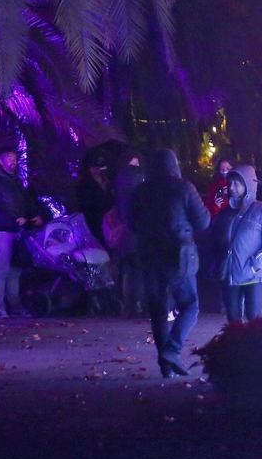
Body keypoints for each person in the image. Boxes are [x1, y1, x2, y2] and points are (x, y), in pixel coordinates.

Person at [129, 148, 210, 378]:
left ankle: (166, 366)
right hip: (178, 255)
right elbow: (203, 221)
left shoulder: (141, 191)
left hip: (149, 255)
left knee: (158, 309)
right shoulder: (184, 188)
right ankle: (172, 350)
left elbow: (133, 224)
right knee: (190, 305)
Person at [214, 165, 262, 324]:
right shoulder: (225, 213)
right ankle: (237, 342)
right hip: (230, 274)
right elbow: (215, 240)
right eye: (230, 183)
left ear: (248, 184)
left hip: (254, 276)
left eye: (237, 183)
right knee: (233, 321)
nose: (232, 187)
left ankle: (259, 341)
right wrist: (218, 264)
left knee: (254, 318)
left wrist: (254, 265)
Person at [0, 147, 45, 319]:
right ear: (1, 161)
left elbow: (24, 202)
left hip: (17, 231)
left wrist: (33, 216)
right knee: (2, 268)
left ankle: (16, 306)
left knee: (15, 270)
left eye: (15, 158)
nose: (14, 162)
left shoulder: (16, 182)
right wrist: (13, 221)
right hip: (2, 230)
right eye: (9, 158)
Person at [111, 153, 145, 317]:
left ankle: (122, 303)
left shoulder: (119, 180)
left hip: (123, 230)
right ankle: (136, 303)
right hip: (136, 230)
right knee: (137, 268)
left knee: (124, 267)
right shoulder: (138, 180)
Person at [75, 155, 116, 247]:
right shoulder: (84, 184)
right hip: (94, 222)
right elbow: (86, 204)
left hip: (108, 220)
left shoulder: (106, 181)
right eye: (96, 166)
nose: (100, 169)